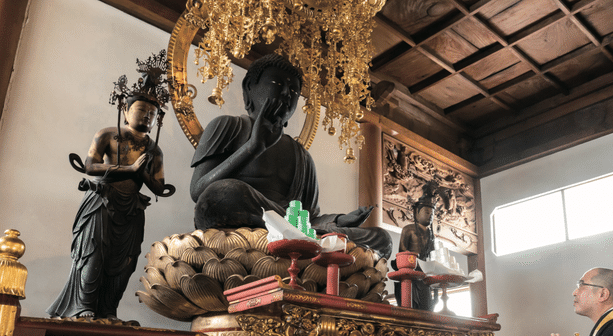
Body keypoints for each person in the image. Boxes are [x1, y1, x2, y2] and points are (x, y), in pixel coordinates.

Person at [189, 54, 391, 258]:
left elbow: (309, 217)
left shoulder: (301, 156)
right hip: (244, 222)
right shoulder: (228, 126)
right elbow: (199, 192)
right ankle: (297, 238)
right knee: (222, 194)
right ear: (249, 87)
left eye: (294, 91)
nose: (287, 94)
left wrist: (339, 221)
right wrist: (252, 147)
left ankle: (297, 237)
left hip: (294, 230)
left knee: (381, 239)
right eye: (277, 84)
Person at [48, 52, 174, 319]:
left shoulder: (154, 149)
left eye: (153, 113)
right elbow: (90, 167)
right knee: (93, 254)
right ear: (125, 110)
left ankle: (108, 309)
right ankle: (82, 306)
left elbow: (159, 187)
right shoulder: (107, 134)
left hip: (132, 209)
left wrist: (142, 175)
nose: (147, 116)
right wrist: (129, 169)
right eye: (141, 110)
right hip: (102, 201)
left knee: (125, 262)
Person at [396, 195, 438, 310]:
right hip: (411, 271)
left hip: (425, 274)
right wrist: (413, 262)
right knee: (412, 305)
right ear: (416, 213)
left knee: (427, 307)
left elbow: (433, 255)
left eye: (432, 214)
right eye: (426, 212)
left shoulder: (431, 234)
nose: (430, 216)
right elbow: (402, 252)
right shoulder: (408, 229)